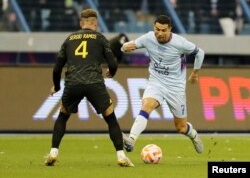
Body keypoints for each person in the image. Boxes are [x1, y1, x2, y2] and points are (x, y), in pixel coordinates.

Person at [45, 9, 134, 167]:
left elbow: (56, 69)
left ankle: (53, 152)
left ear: (81, 23)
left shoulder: (69, 39)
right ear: (95, 23)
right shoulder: (100, 38)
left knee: (63, 116)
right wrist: (111, 72)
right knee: (110, 118)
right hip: (94, 83)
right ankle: (121, 156)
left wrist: (57, 86)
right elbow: (113, 63)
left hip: (73, 83)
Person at [122, 15, 205, 154]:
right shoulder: (148, 38)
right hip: (156, 82)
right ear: (154, 27)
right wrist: (125, 47)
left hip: (175, 87)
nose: (159, 33)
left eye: (163, 30)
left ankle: (193, 135)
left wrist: (195, 73)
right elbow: (128, 46)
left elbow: (200, 53)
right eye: (157, 29)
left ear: (170, 30)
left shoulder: (180, 43)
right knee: (146, 106)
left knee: (181, 128)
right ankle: (131, 140)